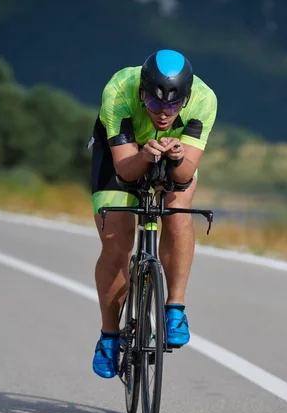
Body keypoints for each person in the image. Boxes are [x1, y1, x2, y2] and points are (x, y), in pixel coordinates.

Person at [90, 49, 217, 378]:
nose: (163, 114)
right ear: (142, 92)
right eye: (155, 103)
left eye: (173, 106)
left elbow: (184, 176)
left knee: (177, 209)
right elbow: (126, 171)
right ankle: (109, 336)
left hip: (173, 157)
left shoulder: (204, 100)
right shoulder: (119, 89)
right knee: (117, 242)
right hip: (124, 155)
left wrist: (175, 157)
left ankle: (175, 307)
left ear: (186, 99)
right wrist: (145, 156)